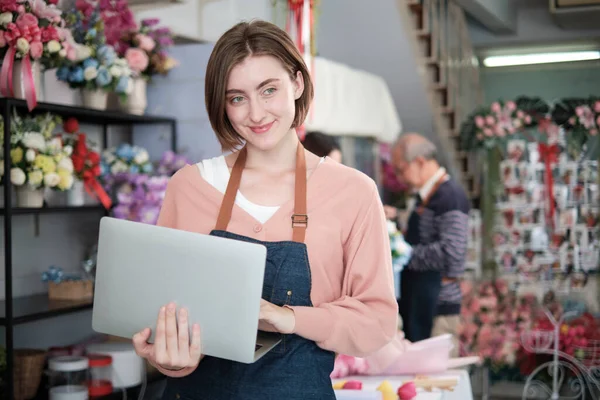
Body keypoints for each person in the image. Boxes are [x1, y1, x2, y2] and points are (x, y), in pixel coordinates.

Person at [131, 20, 398, 399]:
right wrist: (171, 358)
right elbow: (164, 315)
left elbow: (377, 321)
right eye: (237, 97)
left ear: (297, 84)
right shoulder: (189, 186)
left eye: (268, 90)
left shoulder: (353, 192)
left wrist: (286, 317)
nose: (256, 114)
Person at [392, 133, 469, 354]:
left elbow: (452, 253)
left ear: (420, 162)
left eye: (401, 168)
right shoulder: (427, 197)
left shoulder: (449, 196)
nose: (399, 177)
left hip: (438, 308)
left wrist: (404, 254)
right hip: (421, 303)